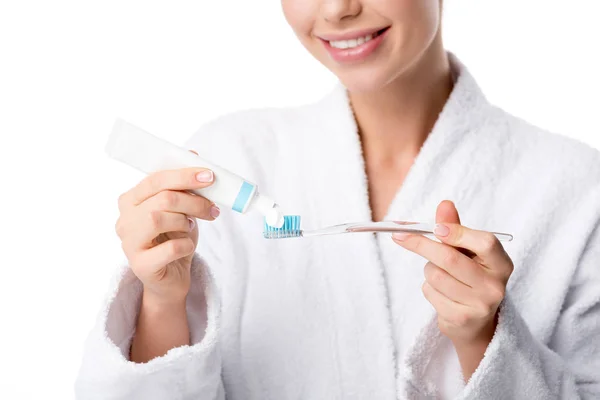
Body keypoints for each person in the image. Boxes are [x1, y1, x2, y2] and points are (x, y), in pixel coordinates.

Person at [75, 1, 600, 399]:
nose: (337, 9)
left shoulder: (577, 190)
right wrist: (163, 300)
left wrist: (484, 343)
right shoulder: (230, 161)